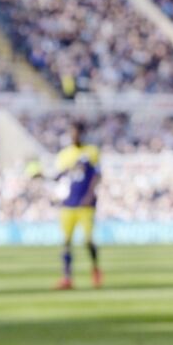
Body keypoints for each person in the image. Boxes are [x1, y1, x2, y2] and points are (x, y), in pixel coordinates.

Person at [54, 120, 102, 290]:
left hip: (85, 204)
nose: (73, 136)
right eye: (71, 133)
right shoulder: (64, 154)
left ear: (82, 134)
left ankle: (95, 268)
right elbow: (59, 178)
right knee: (66, 242)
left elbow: (97, 175)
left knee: (88, 241)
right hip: (68, 204)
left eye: (76, 133)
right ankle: (67, 278)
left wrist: (89, 195)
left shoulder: (91, 151)